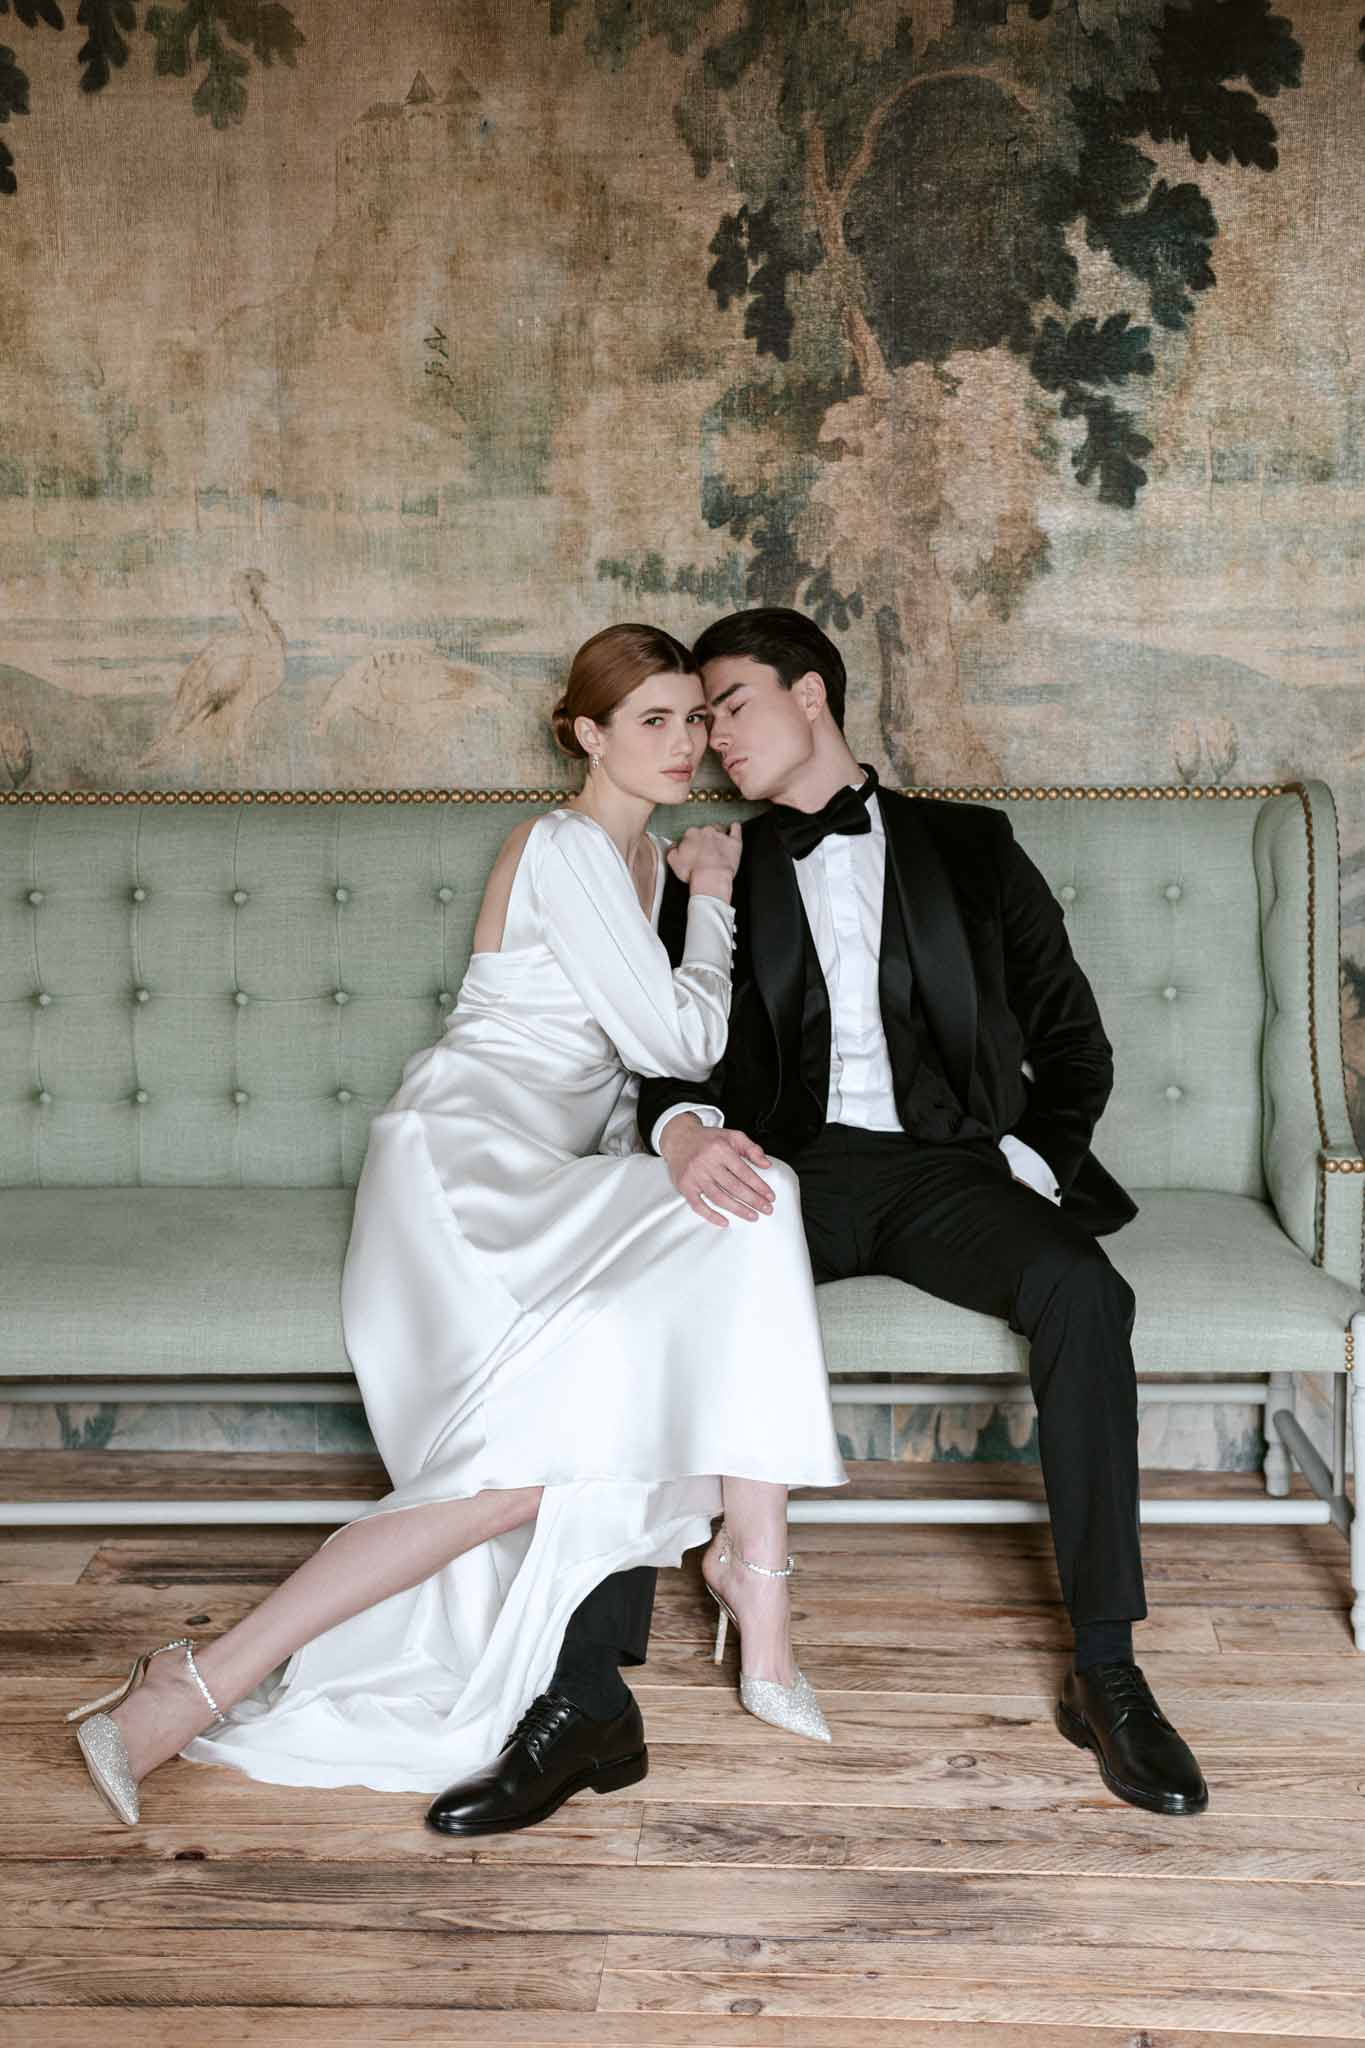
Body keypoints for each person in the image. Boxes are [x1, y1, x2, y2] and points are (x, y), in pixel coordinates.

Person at [64, 623, 846, 1830]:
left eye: (696, 719)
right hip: (461, 1170)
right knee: (523, 1467)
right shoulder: (566, 846)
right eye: (654, 720)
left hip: (545, 1171)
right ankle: (198, 1683)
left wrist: (685, 923)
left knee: (753, 1205)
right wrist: (716, 904)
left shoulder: (636, 868)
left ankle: (759, 1583)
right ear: (584, 733)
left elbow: (653, 1073)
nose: (687, 743)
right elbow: (678, 1044)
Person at [483, 604, 1208, 1827]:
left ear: (811, 695)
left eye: (730, 705)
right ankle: (590, 1689)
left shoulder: (976, 847)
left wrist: (1027, 1164)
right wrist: (683, 1133)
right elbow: (665, 1054)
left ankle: (1109, 1668)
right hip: (786, 1175)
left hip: (953, 1173)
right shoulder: (710, 863)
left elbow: (1076, 1040)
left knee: (1087, 1289)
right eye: (694, 717)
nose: (711, 738)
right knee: (631, 1309)